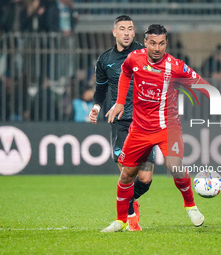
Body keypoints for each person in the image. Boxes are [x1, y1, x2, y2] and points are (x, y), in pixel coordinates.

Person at [102, 24, 221, 232]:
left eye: (161, 43)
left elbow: (202, 85)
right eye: (153, 43)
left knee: (174, 165)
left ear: (166, 43)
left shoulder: (176, 66)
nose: (157, 48)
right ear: (145, 42)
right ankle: (120, 221)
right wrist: (119, 102)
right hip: (140, 129)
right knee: (128, 174)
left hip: (168, 127)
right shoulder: (134, 59)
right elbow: (126, 73)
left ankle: (190, 206)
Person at [89, 15, 154, 231]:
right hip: (120, 122)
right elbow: (100, 88)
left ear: (134, 32)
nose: (126, 32)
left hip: (144, 122)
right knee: (128, 171)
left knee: (144, 179)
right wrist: (97, 108)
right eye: (122, 29)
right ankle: (130, 214)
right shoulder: (104, 59)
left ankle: (127, 202)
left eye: (130, 29)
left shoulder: (145, 54)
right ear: (114, 32)